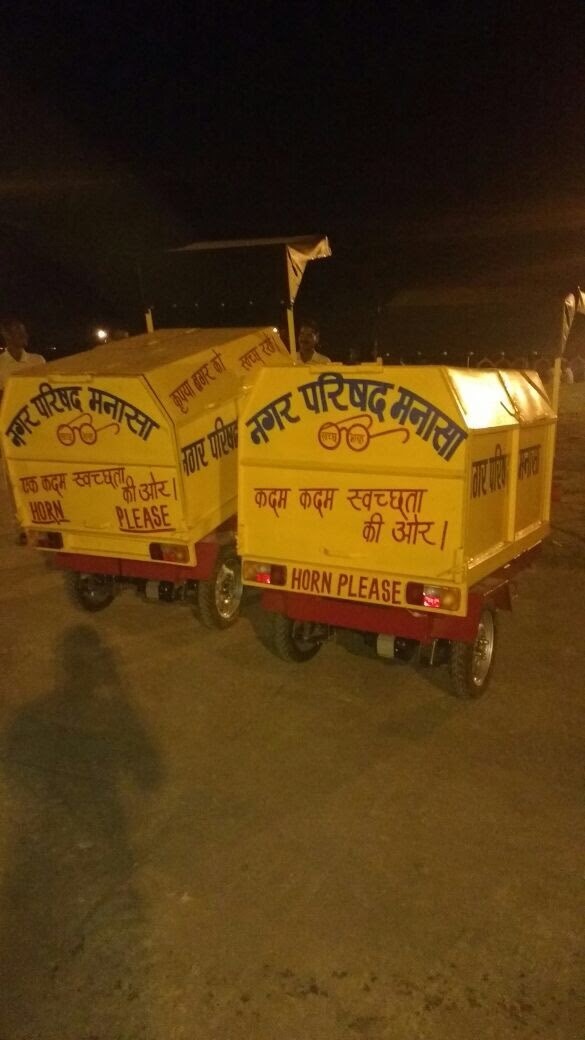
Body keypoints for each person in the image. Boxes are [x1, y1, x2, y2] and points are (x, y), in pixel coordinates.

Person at [0, 318, 45, 393]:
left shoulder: (38, 360)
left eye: (24, 331)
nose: (24, 335)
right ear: (6, 335)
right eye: (18, 331)